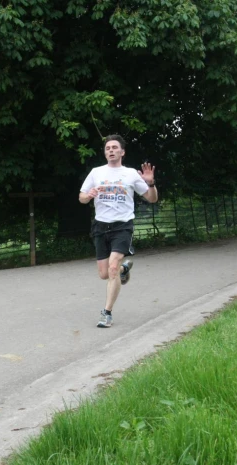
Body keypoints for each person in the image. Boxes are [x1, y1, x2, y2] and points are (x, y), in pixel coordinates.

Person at [79, 134, 158, 328]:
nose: (111, 150)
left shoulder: (130, 174)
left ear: (122, 152)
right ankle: (124, 269)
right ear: (105, 153)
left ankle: (107, 313)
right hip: (100, 225)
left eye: (115, 147)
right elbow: (81, 197)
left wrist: (150, 183)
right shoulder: (96, 172)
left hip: (122, 226)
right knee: (104, 274)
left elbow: (152, 198)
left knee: (112, 268)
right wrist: (88, 196)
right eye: (108, 148)